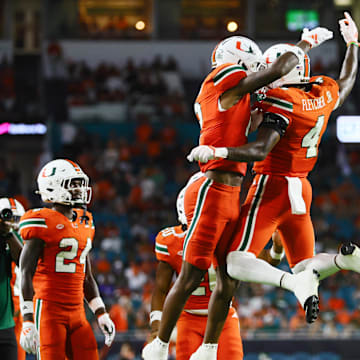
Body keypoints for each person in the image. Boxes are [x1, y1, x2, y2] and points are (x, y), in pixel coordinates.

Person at [142, 27, 333, 360]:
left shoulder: (238, 98)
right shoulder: (220, 82)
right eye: (252, 65)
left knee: (229, 274)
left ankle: (210, 348)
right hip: (215, 188)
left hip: (234, 189)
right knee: (191, 273)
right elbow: (278, 68)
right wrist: (305, 45)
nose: (256, 72)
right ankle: (158, 347)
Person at [186, 12, 359, 359]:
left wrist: (218, 149)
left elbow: (260, 148)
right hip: (303, 188)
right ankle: (345, 262)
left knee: (234, 262)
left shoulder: (281, 101)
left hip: (272, 186)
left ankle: (290, 283)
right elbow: (347, 79)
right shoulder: (322, 92)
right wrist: (353, 43)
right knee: (307, 265)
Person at [150, 175, 284, 360]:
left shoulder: (231, 235)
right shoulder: (171, 241)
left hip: (223, 318)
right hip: (189, 319)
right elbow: (161, 289)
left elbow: (266, 262)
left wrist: (278, 249)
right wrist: (156, 325)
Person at [18, 159, 115, 359]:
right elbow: (25, 271)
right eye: (73, 184)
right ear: (53, 186)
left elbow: (86, 277)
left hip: (77, 311)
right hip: (48, 311)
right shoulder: (41, 220)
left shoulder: (84, 221)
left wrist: (101, 312)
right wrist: (27, 319)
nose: (80, 189)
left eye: (80, 183)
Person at [0, 198, 25, 360]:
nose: (12, 222)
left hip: (11, 318)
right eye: (8, 217)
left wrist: (8, 233)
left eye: (16, 219)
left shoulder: (12, 239)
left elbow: (24, 261)